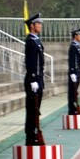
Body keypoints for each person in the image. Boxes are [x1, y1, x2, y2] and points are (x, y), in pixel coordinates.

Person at [23, 13, 46, 146]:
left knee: (36, 110)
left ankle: (35, 134)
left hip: (38, 79)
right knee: (32, 110)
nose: (40, 26)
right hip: (33, 80)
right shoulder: (30, 41)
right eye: (38, 23)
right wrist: (33, 79)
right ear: (32, 26)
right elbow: (30, 62)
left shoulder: (36, 40)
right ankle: (31, 137)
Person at [68, 28, 80, 115]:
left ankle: (74, 108)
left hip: (77, 72)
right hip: (74, 72)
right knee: (72, 92)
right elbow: (72, 60)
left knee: (75, 92)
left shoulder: (77, 46)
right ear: (75, 36)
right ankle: (72, 109)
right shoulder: (73, 46)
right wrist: (72, 72)